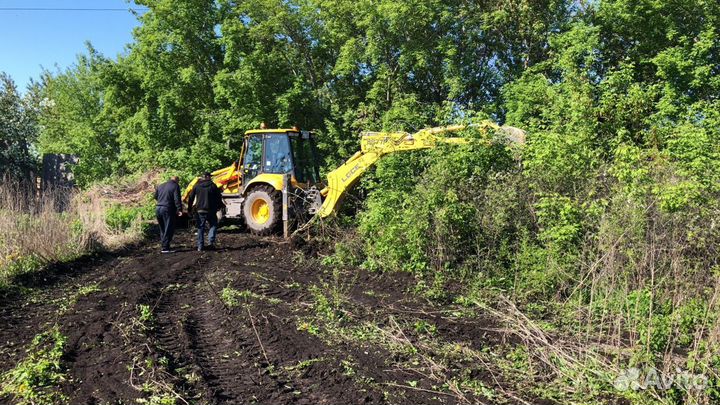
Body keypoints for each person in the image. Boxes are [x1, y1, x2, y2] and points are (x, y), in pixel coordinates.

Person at [187, 172, 223, 251]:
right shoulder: (213, 186)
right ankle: (211, 242)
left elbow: (191, 197)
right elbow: (218, 197)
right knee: (213, 225)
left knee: (200, 228)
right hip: (211, 210)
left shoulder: (196, 186)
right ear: (207, 177)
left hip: (200, 210)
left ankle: (200, 246)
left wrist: (189, 209)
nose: (211, 178)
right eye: (210, 176)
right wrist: (220, 206)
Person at [153, 176, 183, 253]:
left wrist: (162, 201)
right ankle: (165, 247)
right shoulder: (175, 186)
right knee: (169, 227)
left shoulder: (161, 185)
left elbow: (155, 197)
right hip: (167, 209)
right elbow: (177, 198)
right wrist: (179, 209)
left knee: (162, 228)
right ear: (176, 180)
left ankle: (164, 245)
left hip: (158, 208)